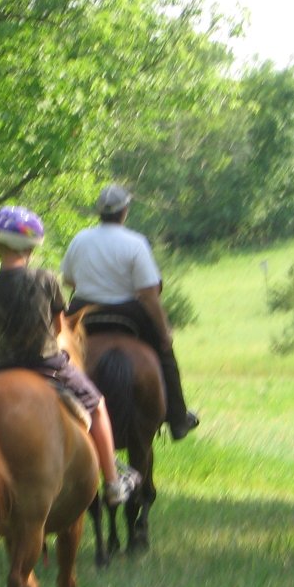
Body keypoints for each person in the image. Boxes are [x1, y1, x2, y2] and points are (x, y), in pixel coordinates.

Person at [0, 205, 140, 507]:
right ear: (30, 246)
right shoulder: (46, 279)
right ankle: (113, 481)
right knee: (98, 406)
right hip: (47, 364)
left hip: (0, 367)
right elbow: (59, 326)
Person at [60, 184, 199, 441]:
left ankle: (54, 409)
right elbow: (148, 294)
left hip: (84, 310)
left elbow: (69, 281)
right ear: (124, 211)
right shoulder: (135, 243)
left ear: (99, 212)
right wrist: (164, 332)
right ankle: (178, 418)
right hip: (128, 311)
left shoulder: (80, 239)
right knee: (164, 353)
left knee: (57, 356)